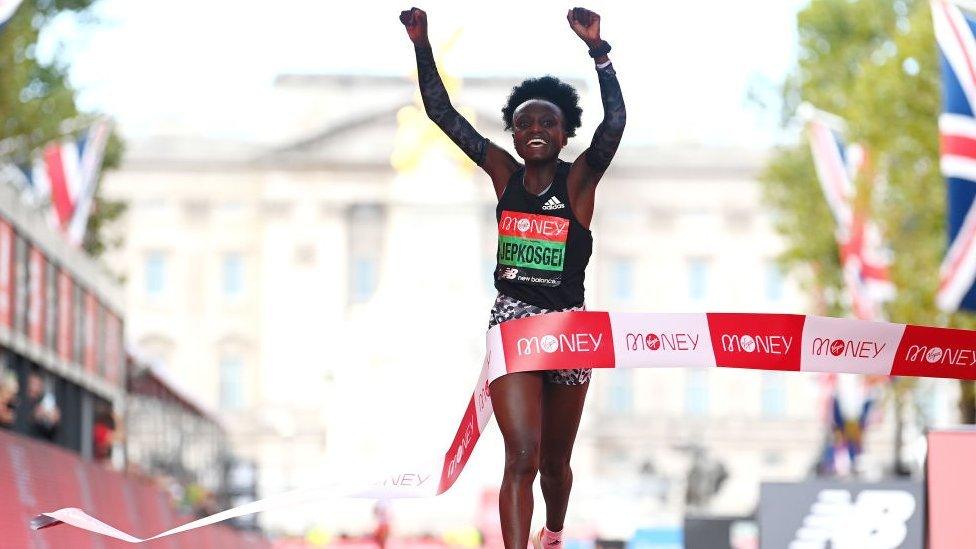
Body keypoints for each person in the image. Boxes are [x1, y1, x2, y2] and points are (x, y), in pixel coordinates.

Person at [400, 7, 625, 548]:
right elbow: (440, 113)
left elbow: (614, 125)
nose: (535, 130)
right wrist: (421, 43)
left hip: (571, 331)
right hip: (514, 326)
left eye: (547, 122)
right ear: (515, 135)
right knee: (520, 455)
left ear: (566, 132)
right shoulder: (503, 173)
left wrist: (600, 52)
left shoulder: (580, 182)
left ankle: (553, 531)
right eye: (524, 123)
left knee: (555, 463)